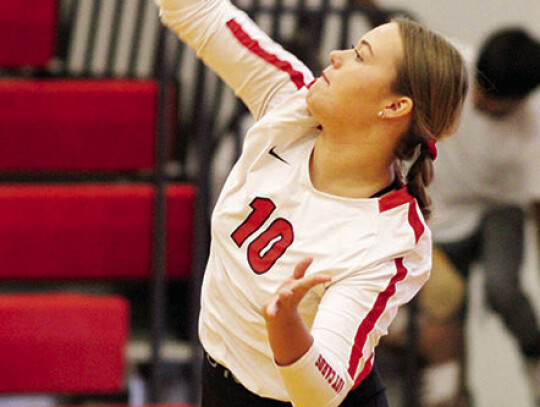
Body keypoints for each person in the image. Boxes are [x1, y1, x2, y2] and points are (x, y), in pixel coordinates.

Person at [154, 0, 469, 405]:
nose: (337, 57)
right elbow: (196, 12)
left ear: (394, 106)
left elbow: (321, 394)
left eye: (359, 56)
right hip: (221, 382)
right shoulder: (290, 101)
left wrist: (286, 326)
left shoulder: (391, 239)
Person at [416, 27, 540, 407]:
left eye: (493, 102)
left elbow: (537, 212)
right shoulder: (451, 68)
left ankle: (534, 351)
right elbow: (396, 34)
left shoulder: (532, 131)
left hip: (499, 208)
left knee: (502, 288)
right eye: (480, 93)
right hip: (443, 212)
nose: (480, 103)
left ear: (519, 101)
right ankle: (451, 395)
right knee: (445, 303)